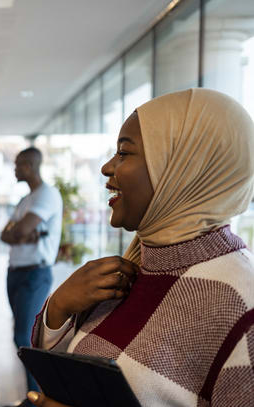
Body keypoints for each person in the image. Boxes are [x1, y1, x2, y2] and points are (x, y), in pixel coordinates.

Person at [25, 88, 254, 407]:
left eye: (124, 153)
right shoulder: (131, 270)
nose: (107, 168)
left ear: (181, 167)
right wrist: (60, 307)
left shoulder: (242, 303)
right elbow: (66, 373)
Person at [0, 147, 62, 393]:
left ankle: (39, 395)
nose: (15, 169)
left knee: (24, 337)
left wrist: (20, 233)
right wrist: (19, 233)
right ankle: (36, 392)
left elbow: (19, 231)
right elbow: (6, 235)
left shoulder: (47, 195)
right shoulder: (25, 199)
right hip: (15, 272)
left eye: (17, 164)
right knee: (22, 334)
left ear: (29, 166)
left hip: (34, 274)